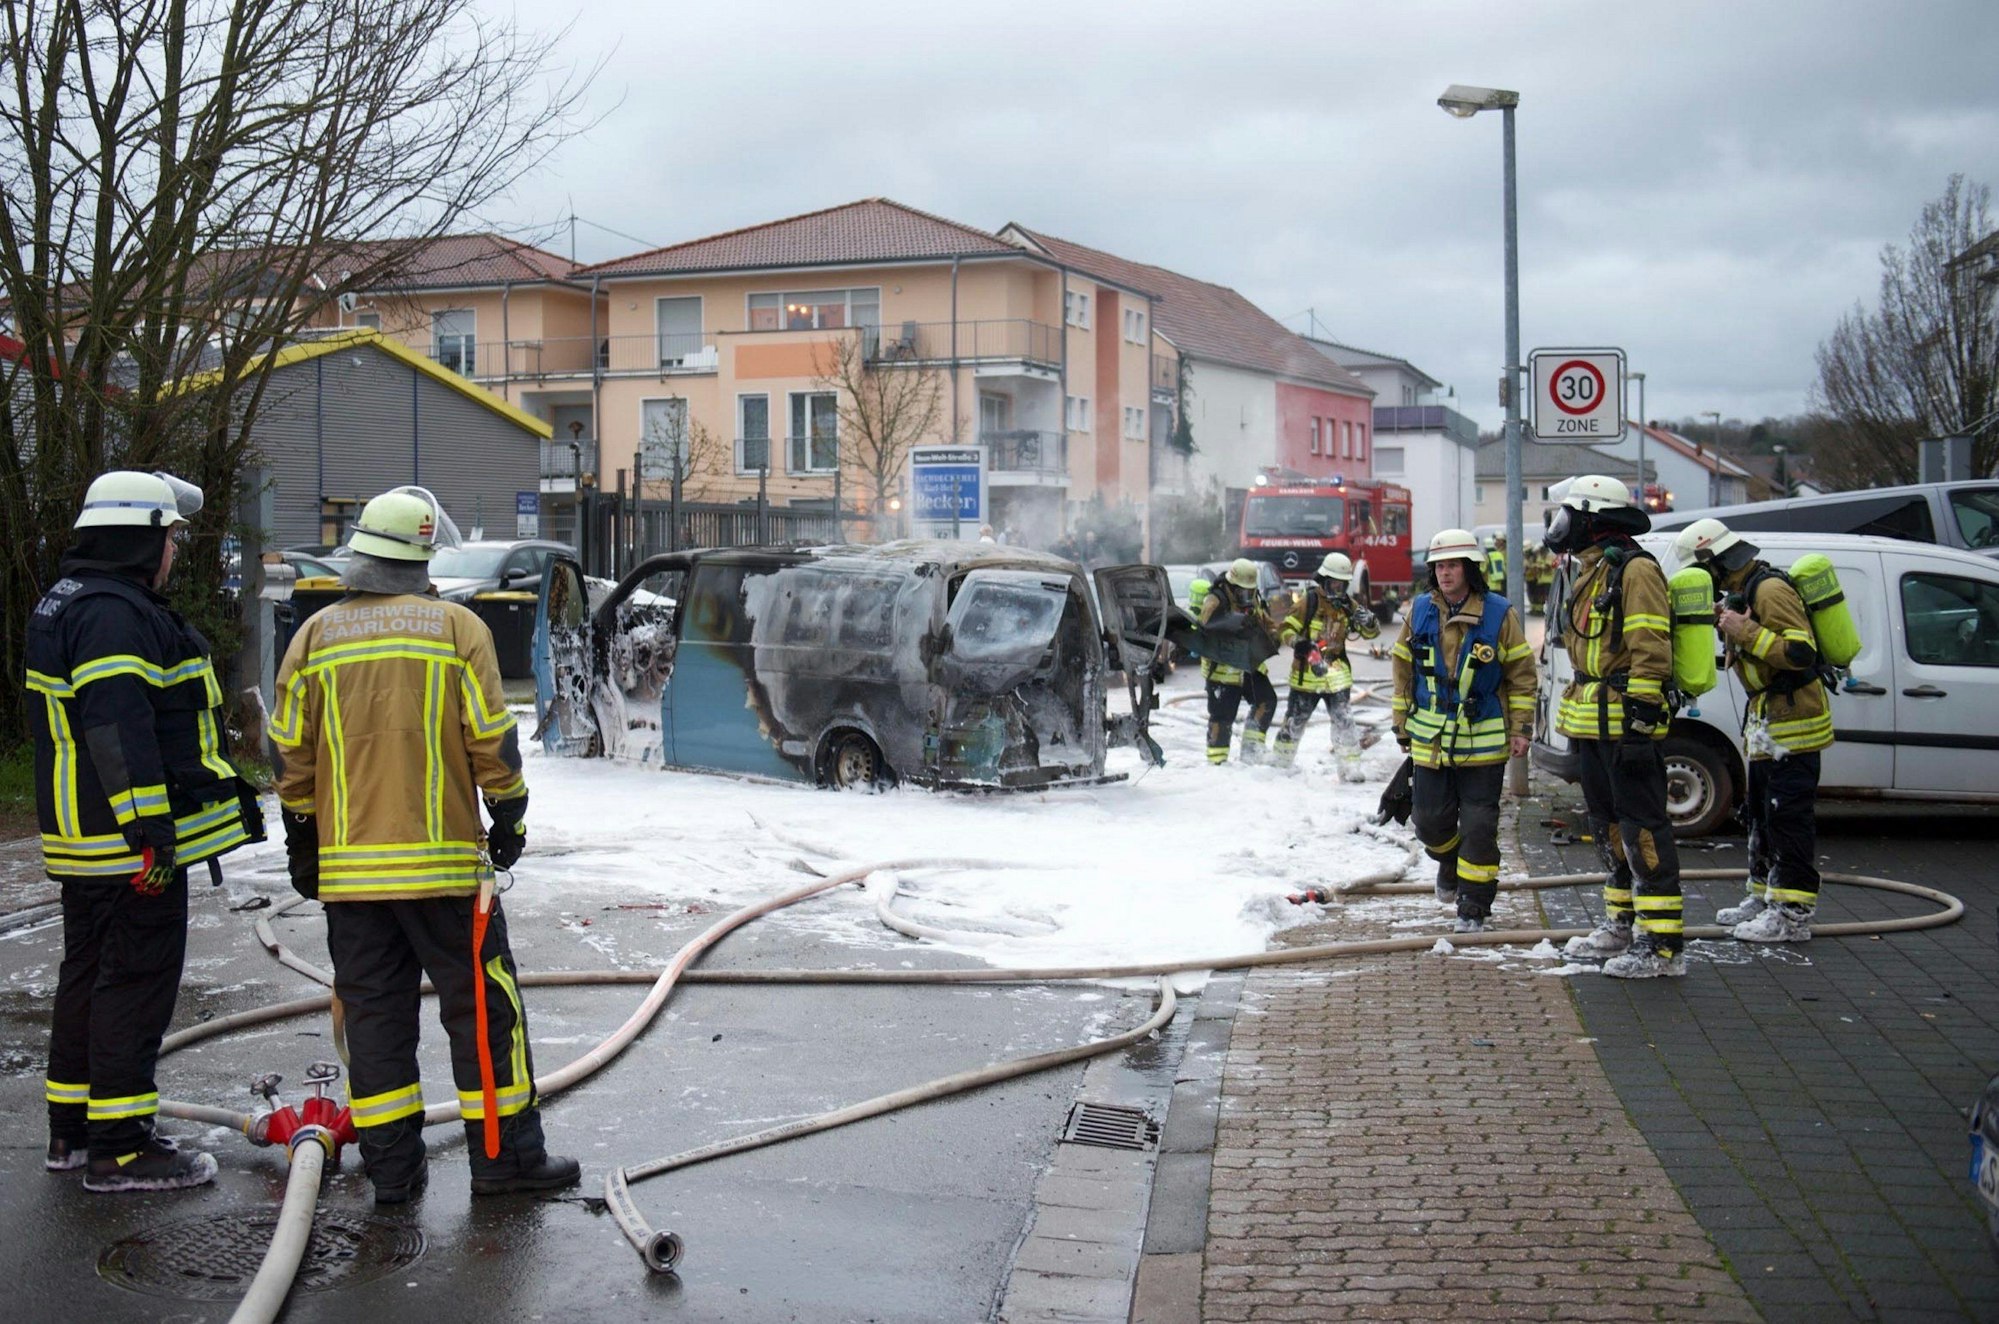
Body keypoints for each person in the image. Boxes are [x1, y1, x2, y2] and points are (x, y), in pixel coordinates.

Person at [271, 487, 579, 1204]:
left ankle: (393, 1174)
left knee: (374, 1024)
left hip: (352, 881)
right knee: (484, 1016)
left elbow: (291, 755)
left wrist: (303, 838)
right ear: (423, 556)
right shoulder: (456, 629)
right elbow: (491, 740)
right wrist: (509, 816)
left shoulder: (313, 638)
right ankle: (503, 1163)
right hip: (445, 876)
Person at [29, 470, 261, 1191]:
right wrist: (150, 829)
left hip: (88, 838)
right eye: (170, 538)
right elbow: (115, 724)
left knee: (89, 977)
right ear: (139, 537)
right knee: (133, 983)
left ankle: (74, 1133)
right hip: (126, 843)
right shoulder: (112, 615)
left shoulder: (72, 600)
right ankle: (122, 1149)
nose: (174, 552)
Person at [1548, 475, 1684, 978]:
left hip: (1627, 727)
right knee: (1607, 828)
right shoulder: (1593, 569)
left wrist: (1641, 721)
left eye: (1569, 516)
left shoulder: (1636, 570)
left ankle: (1662, 947)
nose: (1561, 526)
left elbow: (1651, 648)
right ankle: (1622, 923)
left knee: (1642, 830)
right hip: (1593, 725)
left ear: (1592, 519)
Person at [1673, 517, 1831, 943]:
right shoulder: (1744, 590)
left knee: (1787, 818)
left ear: (1714, 560)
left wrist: (1747, 632)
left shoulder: (1770, 590)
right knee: (1760, 813)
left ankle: (1792, 914)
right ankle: (1763, 896)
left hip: (1794, 722)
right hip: (1767, 720)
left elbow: (1801, 652)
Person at [1389, 529, 1536, 932]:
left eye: (1453, 565)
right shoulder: (1420, 610)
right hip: (1431, 740)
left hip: (1483, 742)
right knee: (1427, 821)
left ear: (1470, 569)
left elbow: (1522, 675)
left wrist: (1521, 728)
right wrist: (1401, 723)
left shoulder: (1499, 614)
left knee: (1478, 827)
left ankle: (1474, 906)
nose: (1445, 573)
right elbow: (1403, 669)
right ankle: (1450, 864)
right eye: (1439, 566)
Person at [1272, 552, 1380, 778]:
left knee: (1344, 721)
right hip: (1307, 677)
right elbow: (1285, 629)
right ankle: (1281, 763)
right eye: (1333, 584)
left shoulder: (1348, 606)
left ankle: (1350, 768)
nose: (1337, 589)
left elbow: (1370, 634)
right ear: (1323, 580)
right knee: (1294, 721)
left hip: (1337, 676)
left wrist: (1369, 621)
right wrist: (1300, 644)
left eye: (1342, 584)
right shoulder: (1309, 601)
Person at [1198, 559, 1279, 765]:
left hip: (1250, 667)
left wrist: (1272, 635)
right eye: (1242, 591)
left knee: (1266, 701)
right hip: (1222, 672)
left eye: (1250, 592)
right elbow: (1203, 631)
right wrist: (1232, 629)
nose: (1246, 596)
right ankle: (1217, 762)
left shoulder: (1253, 600)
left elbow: (1267, 622)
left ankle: (1251, 751)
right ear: (1232, 586)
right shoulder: (1215, 601)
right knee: (1222, 717)